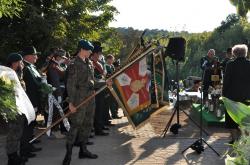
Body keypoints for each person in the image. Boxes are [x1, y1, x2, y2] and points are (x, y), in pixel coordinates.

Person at [62, 39, 112, 165]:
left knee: (88, 124)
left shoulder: (89, 63)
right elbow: (71, 85)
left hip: (90, 98)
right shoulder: (74, 64)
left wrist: (104, 83)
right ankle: (68, 155)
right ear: (82, 50)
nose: (91, 52)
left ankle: (83, 150)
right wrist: (71, 103)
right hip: (78, 99)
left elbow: (92, 82)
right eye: (89, 50)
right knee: (75, 126)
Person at [223, 44, 250, 143]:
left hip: (232, 96)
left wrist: (223, 94)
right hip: (247, 96)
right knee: (246, 118)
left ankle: (234, 139)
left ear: (234, 54)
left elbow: (226, 81)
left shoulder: (230, 64)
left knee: (231, 118)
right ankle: (245, 140)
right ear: (245, 53)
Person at [21, 46, 42, 159]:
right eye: (34, 55)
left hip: (34, 100)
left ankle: (29, 145)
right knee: (27, 126)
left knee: (32, 124)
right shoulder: (25, 67)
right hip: (29, 101)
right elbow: (32, 85)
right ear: (28, 56)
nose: (36, 57)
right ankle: (25, 150)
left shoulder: (30, 67)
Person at [5, 53, 26, 165]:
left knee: (17, 133)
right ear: (14, 63)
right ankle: (11, 158)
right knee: (13, 134)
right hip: (12, 109)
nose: (22, 64)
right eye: (20, 62)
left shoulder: (16, 73)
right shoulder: (7, 75)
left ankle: (14, 155)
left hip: (19, 108)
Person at [46, 49, 68, 138]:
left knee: (58, 112)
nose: (63, 59)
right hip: (56, 93)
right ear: (57, 57)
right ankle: (55, 131)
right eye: (62, 57)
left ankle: (55, 130)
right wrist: (58, 94)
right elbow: (55, 82)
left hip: (58, 92)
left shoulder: (57, 65)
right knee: (56, 112)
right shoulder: (53, 66)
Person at [91, 42, 110, 136]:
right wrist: (104, 81)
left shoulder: (99, 63)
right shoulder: (91, 63)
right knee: (97, 110)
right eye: (99, 53)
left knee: (101, 109)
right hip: (95, 89)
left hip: (101, 88)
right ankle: (97, 129)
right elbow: (93, 79)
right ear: (95, 54)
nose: (100, 55)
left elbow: (103, 75)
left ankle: (100, 125)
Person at [104, 54, 120, 119]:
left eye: (112, 60)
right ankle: (110, 115)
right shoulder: (105, 66)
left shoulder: (112, 66)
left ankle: (115, 113)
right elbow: (106, 75)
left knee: (115, 100)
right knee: (110, 101)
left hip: (114, 85)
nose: (112, 61)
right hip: (108, 86)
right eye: (111, 59)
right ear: (108, 59)